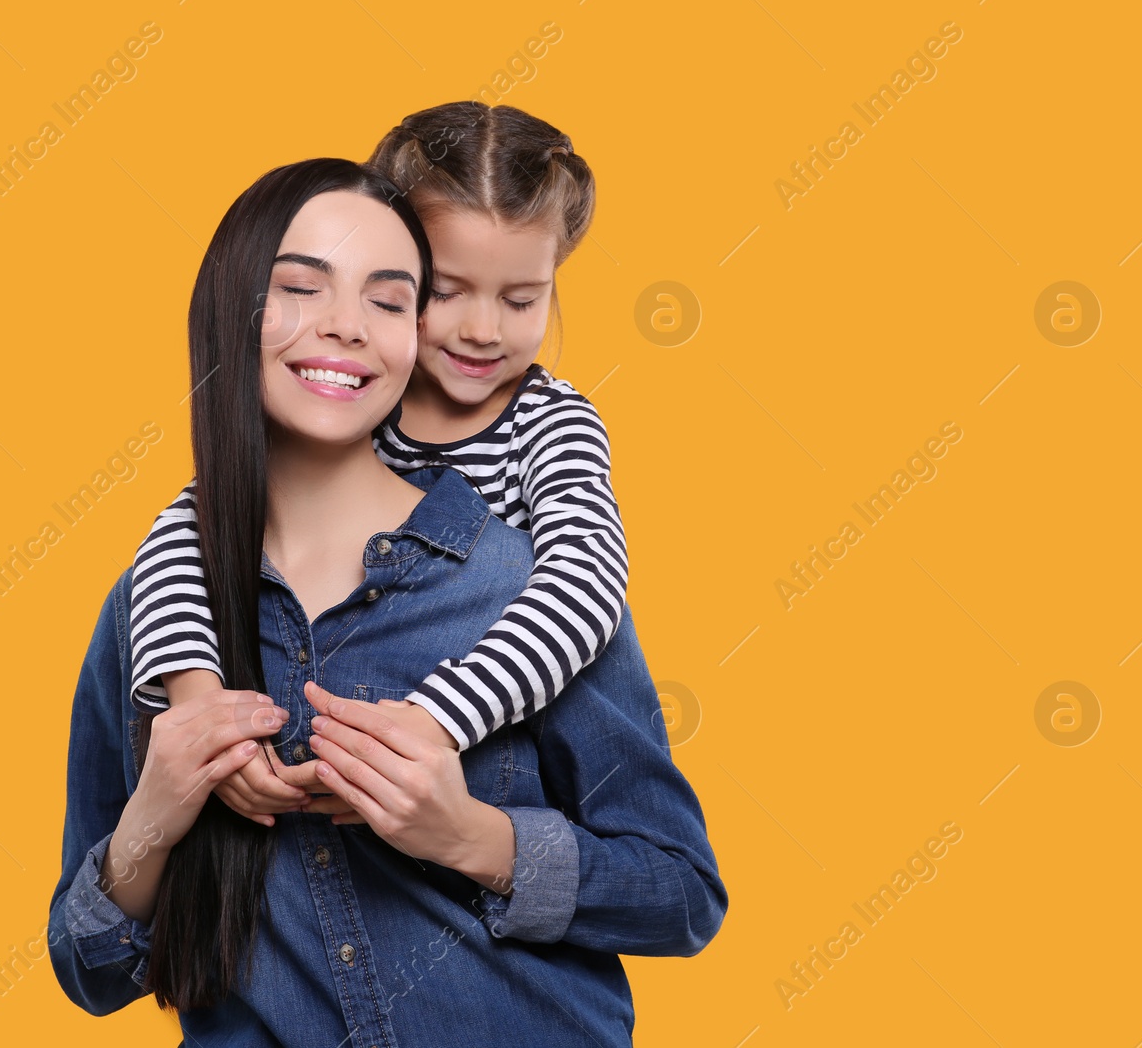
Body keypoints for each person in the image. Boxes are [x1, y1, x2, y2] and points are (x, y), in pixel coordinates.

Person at [47, 157, 726, 1045]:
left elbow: (680, 895)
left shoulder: (524, 588)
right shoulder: (161, 608)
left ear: (414, 335)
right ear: (231, 308)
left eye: (389, 297)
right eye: (300, 287)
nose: (344, 327)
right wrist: (155, 817)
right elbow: (87, 970)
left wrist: (472, 838)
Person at [127, 104, 627, 810]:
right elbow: (192, 524)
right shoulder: (354, 400)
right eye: (445, 292)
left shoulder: (550, 423)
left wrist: (435, 721)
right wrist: (200, 702)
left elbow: (588, 578)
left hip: (484, 761)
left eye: (521, 299)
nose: (482, 330)